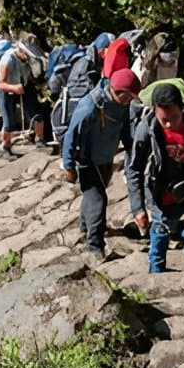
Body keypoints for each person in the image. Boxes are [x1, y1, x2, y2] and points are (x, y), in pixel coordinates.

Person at [124, 82, 184, 272]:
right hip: (161, 193)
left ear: (182, 108)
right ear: (155, 111)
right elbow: (134, 169)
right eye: (163, 119)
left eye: (174, 117)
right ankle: (156, 269)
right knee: (160, 233)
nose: (169, 124)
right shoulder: (147, 130)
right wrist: (138, 208)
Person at [61, 68, 141, 260]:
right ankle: (95, 245)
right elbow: (70, 136)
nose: (131, 101)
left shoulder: (121, 105)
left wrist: (132, 148)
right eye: (129, 97)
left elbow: (124, 127)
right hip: (86, 161)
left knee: (92, 197)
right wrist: (68, 166)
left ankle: (84, 225)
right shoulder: (88, 108)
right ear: (118, 92)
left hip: (106, 158)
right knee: (98, 199)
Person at [0, 38, 47, 158]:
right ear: (20, 50)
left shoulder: (29, 59)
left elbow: (31, 74)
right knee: (8, 121)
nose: (28, 57)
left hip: (24, 84)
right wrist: (13, 88)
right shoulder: (8, 59)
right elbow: (0, 83)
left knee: (37, 113)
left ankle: (39, 140)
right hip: (6, 88)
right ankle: (4, 147)